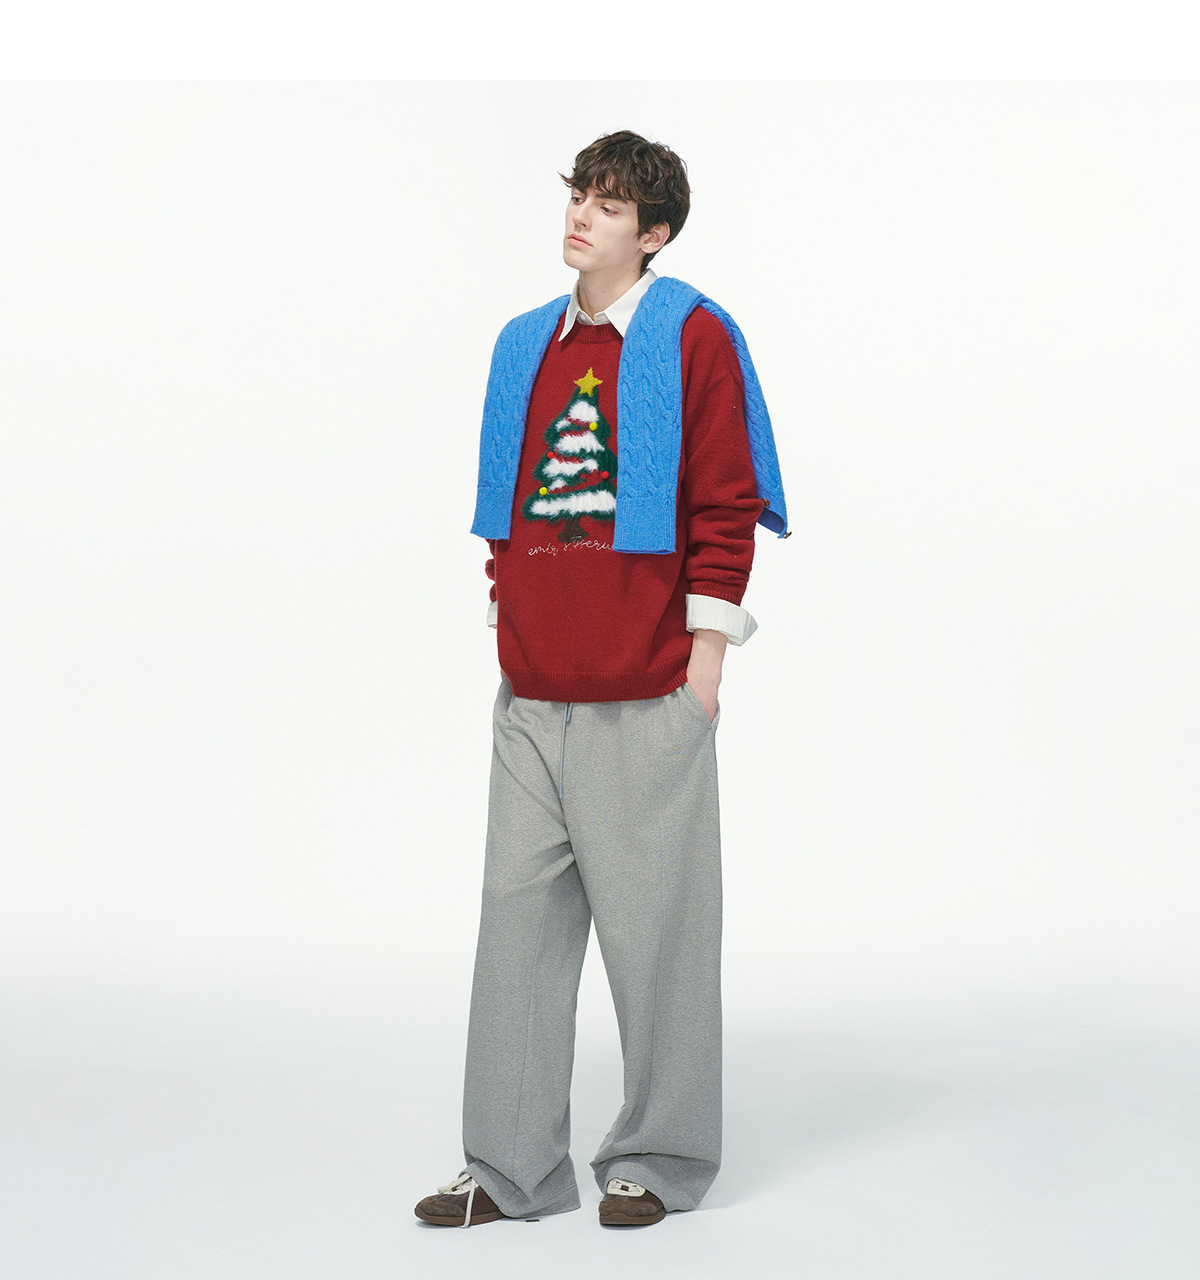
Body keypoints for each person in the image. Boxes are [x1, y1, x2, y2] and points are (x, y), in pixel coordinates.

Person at [414, 129, 789, 1230]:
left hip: (647, 688)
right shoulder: (524, 342)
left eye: (610, 203)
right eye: (580, 192)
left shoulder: (694, 336)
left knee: (658, 937)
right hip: (533, 691)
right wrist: (508, 617)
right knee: (516, 933)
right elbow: (508, 501)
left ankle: (661, 1156)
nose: (583, 213)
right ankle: (510, 1168)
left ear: (654, 232)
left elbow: (725, 501)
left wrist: (704, 671)